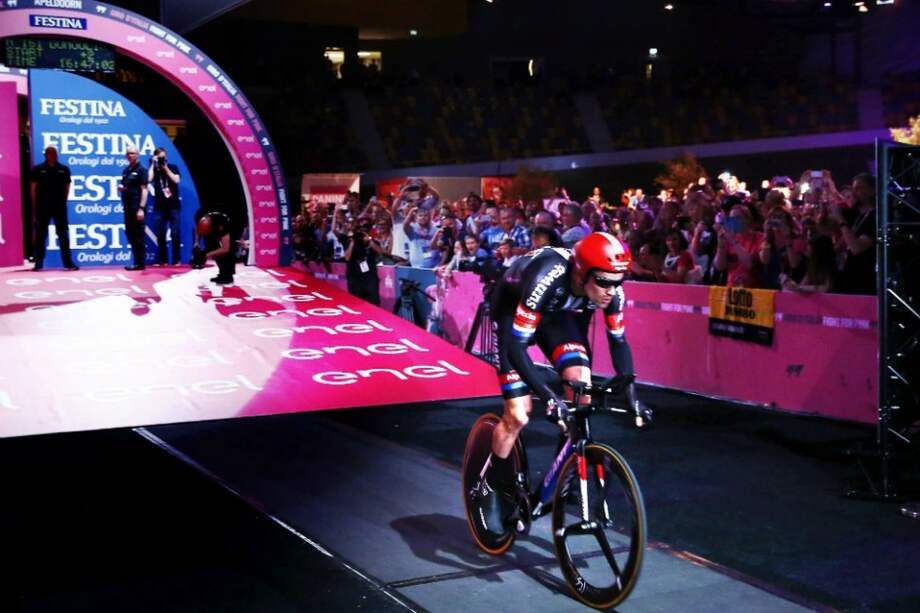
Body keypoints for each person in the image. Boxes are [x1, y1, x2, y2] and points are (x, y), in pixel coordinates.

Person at [475, 232, 650, 535]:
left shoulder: (611, 292)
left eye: (617, 281)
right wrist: (548, 397)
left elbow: (619, 342)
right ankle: (490, 487)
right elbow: (517, 349)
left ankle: (563, 472)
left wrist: (633, 394)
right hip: (513, 308)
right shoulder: (548, 276)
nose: (611, 291)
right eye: (604, 282)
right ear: (582, 275)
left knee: (581, 388)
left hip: (556, 314)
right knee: (518, 414)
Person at [30, 146, 77, 271]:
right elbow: (33, 189)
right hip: (42, 206)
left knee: (63, 234)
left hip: (59, 206)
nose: (52, 155)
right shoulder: (38, 169)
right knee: (41, 235)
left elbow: (67, 187)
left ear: (57, 154)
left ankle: (68, 262)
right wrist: (36, 206)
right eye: (49, 153)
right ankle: (38, 262)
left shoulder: (63, 169)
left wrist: (62, 202)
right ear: (45, 155)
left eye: (54, 153)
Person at [148, 147, 182, 265]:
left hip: (173, 206)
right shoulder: (155, 170)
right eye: (160, 157)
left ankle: (176, 259)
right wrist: (153, 164)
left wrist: (166, 168)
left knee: (175, 233)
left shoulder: (173, 167)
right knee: (161, 234)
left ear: (166, 157)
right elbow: (148, 179)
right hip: (159, 207)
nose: (162, 159)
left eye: (163, 157)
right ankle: (163, 260)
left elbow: (176, 180)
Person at [343, 217, 386, 305]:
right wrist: (353, 242)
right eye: (361, 228)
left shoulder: (372, 241)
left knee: (374, 304)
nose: (363, 230)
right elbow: (347, 258)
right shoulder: (350, 241)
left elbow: (381, 252)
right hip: (355, 278)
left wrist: (369, 240)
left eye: (366, 227)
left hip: (370, 278)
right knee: (356, 304)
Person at [119, 146, 149, 270]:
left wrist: (141, 208)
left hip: (137, 208)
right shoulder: (126, 170)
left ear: (137, 155)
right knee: (130, 234)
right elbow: (126, 186)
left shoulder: (141, 170)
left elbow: (144, 189)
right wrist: (121, 188)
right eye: (128, 153)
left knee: (138, 235)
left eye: (132, 153)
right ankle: (136, 260)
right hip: (127, 208)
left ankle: (140, 263)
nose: (130, 155)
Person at [193, 211, 235, 284]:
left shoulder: (223, 224)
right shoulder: (200, 216)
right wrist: (196, 242)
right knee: (211, 246)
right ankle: (222, 273)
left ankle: (228, 276)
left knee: (228, 252)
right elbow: (197, 229)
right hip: (212, 223)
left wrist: (206, 255)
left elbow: (226, 248)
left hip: (232, 224)